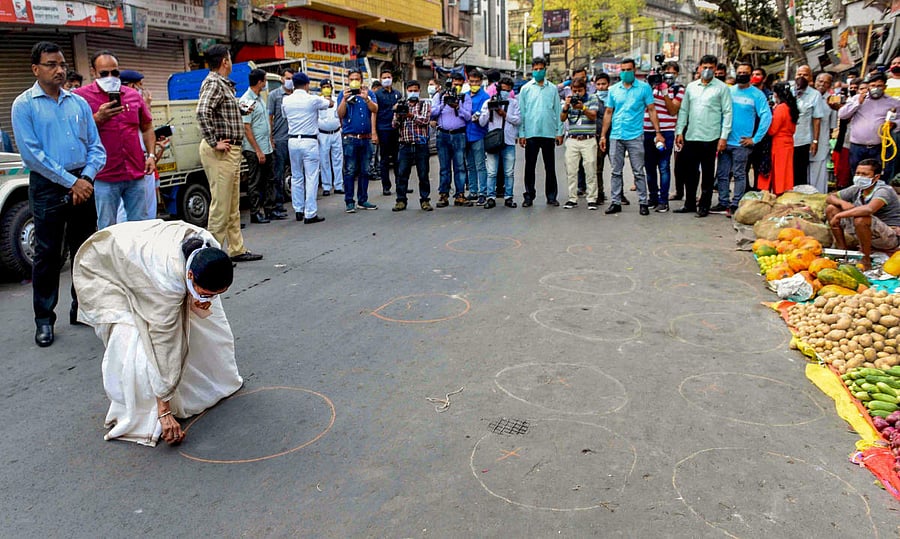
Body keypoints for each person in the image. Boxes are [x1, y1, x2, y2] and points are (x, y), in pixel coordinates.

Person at [72, 220, 243, 446]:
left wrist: (200, 298)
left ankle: (211, 383)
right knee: (137, 339)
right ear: (190, 277)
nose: (209, 298)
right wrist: (164, 411)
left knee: (210, 325)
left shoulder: (209, 248)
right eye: (205, 292)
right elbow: (165, 343)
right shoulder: (165, 283)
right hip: (106, 265)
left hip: (144, 253)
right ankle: (145, 412)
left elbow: (206, 299)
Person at [12, 41, 106, 347]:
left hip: (84, 181)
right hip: (48, 186)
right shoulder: (24, 105)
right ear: (36, 69)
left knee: (85, 250)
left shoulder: (77, 103)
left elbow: (96, 147)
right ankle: (44, 319)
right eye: (51, 64)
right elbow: (32, 155)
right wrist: (71, 182)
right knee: (48, 254)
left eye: (62, 64)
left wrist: (86, 178)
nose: (60, 70)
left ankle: (83, 308)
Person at [74, 50, 155, 229]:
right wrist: (97, 118)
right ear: (94, 73)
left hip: (135, 173)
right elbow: (72, 132)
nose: (110, 77)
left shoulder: (133, 95)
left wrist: (151, 155)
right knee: (108, 228)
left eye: (115, 73)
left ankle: (136, 257)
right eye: (104, 73)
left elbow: (147, 126)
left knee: (141, 226)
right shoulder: (80, 98)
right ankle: (111, 258)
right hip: (104, 175)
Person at [196, 44, 262, 262]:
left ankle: (236, 248)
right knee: (221, 206)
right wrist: (214, 142)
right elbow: (202, 112)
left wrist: (241, 109)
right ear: (225, 61)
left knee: (232, 204)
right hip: (221, 151)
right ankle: (211, 255)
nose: (231, 62)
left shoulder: (223, 84)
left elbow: (220, 110)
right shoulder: (214, 82)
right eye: (230, 58)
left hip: (230, 149)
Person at [600, 58, 665, 216]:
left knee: (638, 171)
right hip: (616, 135)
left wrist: (658, 132)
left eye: (628, 70)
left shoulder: (644, 88)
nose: (625, 73)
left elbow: (651, 110)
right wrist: (603, 135)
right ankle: (616, 202)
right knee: (616, 171)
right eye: (623, 70)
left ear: (634, 70)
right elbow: (608, 112)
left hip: (635, 135)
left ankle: (643, 202)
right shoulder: (614, 89)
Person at [674, 54, 733, 217]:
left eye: (711, 68)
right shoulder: (691, 87)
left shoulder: (722, 88)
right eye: (704, 67)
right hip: (691, 135)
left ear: (715, 69)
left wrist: (723, 136)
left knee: (707, 173)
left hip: (711, 137)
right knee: (690, 173)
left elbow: (727, 112)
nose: (707, 70)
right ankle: (690, 203)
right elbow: (684, 110)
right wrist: (680, 131)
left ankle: (704, 206)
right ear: (699, 68)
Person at [712, 62, 771, 215]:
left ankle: (736, 203)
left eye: (745, 72)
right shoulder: (729, 91)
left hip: (742, 143)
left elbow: (766, 116)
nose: (742, 74)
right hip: (725, 140)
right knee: (722, 174)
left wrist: (755, 139)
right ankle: (723, 201)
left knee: (739, 174)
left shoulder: (757, 95)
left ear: (751, 75)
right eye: (739, 72)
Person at [825, 159, 900, 270]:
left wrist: (839, 216)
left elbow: (869, 209)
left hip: (889, 236)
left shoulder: (884, 191)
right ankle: (842, 251)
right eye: (857, 173)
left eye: (864, 174)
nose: (859, 177)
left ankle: (866, 259)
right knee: (832, 209)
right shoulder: (858, 189)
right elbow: (830, 197)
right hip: (866, 233)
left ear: (876, 177)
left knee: (861, 218)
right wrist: (842, 202)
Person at [282, 72, 331, 224]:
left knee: (296, 176)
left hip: (292, 140)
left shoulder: (286, 100)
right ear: (307, 84)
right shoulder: (312, 99)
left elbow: (285, 116)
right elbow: (330, 104)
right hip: (309, 141)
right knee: (311, 177)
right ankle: (310, 213)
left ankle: (298, 209)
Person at [518, 57, 564, 207]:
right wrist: (522, 133)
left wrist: (559, 131)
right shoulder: (525, 89)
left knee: (550, 167)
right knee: (529, 167)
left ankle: (551, 196)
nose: (538, 71)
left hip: (549, 133)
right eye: (535, 69)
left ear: (545, 69)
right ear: (532, 70)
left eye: (541, 69)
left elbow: (558, 111)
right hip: (531, 133)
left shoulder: (552, 89)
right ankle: (529, 196)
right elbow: (522, 113)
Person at [838, 72, 900, 181]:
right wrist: (857, 103)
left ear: (885, 87)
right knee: (857, 175)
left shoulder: (893, 103)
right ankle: (859, 195)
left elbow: (898, 121)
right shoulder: (857, 98)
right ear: (868, 87)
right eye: (873, 86)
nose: (876, 88)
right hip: (857, 147)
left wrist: (893, 124)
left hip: (879, 147)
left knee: (878, 176)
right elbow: (842, 115)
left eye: (879, 86)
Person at [240, 68, 281, 224]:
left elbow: (264, 122)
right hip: (254, 149)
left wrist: (270, 140)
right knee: (255, 181)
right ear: (259, 82)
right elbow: (247, 127)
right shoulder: (246, 100)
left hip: (266, 146)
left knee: (270, 179)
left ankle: (270, 210)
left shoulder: (259, 98)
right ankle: (255, 212)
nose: (265, 83)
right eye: (264, 80)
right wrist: (257, 150)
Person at [118, 69, 160, 220]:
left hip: (143, 162)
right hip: (131, 164)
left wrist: (151, 155)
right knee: (131, 210)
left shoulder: (137, 105)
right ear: (130, 86)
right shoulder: (123, 107)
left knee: (148, 209)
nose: (143, 90)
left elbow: (147, 130)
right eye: (140, 86)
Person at [643, 61, 684, 213]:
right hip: (647, 130)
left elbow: (673, 110)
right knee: (649, 166)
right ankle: (653, 197)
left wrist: (665, 92)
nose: (668, 75)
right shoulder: (650, 87)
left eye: (672, 72)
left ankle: (663, 200)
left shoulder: (679, 89)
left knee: (664, 166)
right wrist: (652, 85)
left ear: (676, 74)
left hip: (666, 131)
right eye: (666, 72)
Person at [337, 69, 379, 213]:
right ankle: (349, 201)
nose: (354, 81)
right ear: (348, 81)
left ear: (361, 81)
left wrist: (366, 98)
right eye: (352, 79)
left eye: (357, 79)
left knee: (365, 170)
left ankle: (363, 199)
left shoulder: (369, 93)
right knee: (349, 170)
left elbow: (375, 109)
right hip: (350, 138)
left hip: (366, 138)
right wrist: (344, 99)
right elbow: (340, 114)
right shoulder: (344, 94)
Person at [431, 72, 472, 207]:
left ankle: (460, 194)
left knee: (460, 166)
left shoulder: (465, 97)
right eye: (455, 83)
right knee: (444, 167)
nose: (457, 86)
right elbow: (433, 113)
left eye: (460, 84)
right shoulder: (440, 96)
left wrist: (457, 106)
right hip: (443, 134)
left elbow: (468, 117)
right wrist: (444, 103)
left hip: (459, 135)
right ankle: (443, 194)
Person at [479, 76, 520, 209]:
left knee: (509, 172)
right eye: (503, 89)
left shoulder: (513, 103)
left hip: (508, 140)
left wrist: (504, 114)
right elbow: (482, 122)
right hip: (493, 141)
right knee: (491, 172)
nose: (505, 92)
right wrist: (489, 110)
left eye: (508, 90)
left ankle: (508, 197)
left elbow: (518, 120)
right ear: (498, 89)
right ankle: (490, 197)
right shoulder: (488, 102)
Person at [392, 79, 432, 211]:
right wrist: (398, 115)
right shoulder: (401, 104)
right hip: (405, 144)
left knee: (423, 174)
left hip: (421, 144)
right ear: (406, 91)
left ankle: (425, 200)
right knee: (402, 174)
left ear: (419, 91)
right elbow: (394, 125)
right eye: (410, 91)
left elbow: (425, 120)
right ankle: (401, 200)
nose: (413, 93)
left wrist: (410, 115)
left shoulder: (424, 104)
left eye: (415, 91)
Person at [561, 78, 600, 210]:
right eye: (574, 91)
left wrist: (582, 107)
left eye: (580, 91)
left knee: (590, 169)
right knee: (571, 170)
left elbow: (593, 116)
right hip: (572, 139)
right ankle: (572, 198)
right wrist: (567, 106)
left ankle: (592, 198)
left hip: (588, 139)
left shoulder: (593, 98)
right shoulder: (569, 100)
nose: (577, 93)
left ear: (585, 89)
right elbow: (562, 118)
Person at [758, 82, 798, 194]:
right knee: (786, 172)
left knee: (778, 172)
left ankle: (778, 193)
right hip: (788, 142)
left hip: (778, 144)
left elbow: (772, 130)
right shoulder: (791, 107)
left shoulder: (781, 108)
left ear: (776, 94)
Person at [792, 65, 824, 186]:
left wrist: (815, 141)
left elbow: (817, 119)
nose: (801, 77)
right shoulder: (788, 91)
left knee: (800, 173)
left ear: (810, 77)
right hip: (785, 140)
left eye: (805, 75)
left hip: (802, 140)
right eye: (799, 74)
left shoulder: (815, 95)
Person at [268, 68, 294, 211]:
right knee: (278, 173)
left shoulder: (297, 95)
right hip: (280, 139)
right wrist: (271, 138)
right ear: (282, 79)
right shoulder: (274, 96)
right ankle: (278, 203)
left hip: (295, 139)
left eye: (292, 78)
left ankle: (299, 201)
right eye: (288, 78)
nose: (290, 81)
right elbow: (269, 118)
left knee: (297, 172)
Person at [464, 69, 491, 205]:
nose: (474, 83)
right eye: (472, 81)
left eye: (476, 81)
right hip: (465, 135)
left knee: (480, 165)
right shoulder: (464, 95)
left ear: (480, 82)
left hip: (478, 134)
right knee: (470, 165)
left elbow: (481, 115)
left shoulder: (485, 97)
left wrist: (472, 115)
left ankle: (482, 192)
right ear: (468, 81)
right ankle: (473, 191)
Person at [808, 72, 837, 192]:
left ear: (830, 85)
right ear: (815, 82)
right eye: (820, 81)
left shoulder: (832, 100)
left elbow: (832, 126)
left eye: (826, 82)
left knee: (819, 172)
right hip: (804, 139)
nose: (822, 84)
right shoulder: (806, 96)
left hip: (822, 141)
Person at [374, 68, 402, 196]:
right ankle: (386, 186)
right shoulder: (377, 95)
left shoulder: (397, 94)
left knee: (398, 159)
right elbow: (374, 113)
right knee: (385, 159)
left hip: (396, 129)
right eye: (384, 77)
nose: (387, 79)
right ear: (380, 79)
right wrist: (374, 132)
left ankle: (400, 185)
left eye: (389, 77)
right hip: (383, 129)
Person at [317, 79, 343, 196]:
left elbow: (340, 115)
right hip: (323, 134)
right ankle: (326, 186)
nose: (326, 88)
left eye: (328, 86)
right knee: (324, 161)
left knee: (338, 160)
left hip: (336, 133)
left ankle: (338, 185)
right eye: (324, 87)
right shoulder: (318, 101)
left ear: (332, 88)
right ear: (321, 89)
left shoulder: (337, 100)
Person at [594, 73, 610, 204]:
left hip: (614, 135)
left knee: (617, 166)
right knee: (598, 167)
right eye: (598, 84)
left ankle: (619, 194)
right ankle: (599, 193)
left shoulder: (613, 98)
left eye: (603, 84)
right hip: (598, 136)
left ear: (608, 84)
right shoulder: (592, 99)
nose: (601, 87)